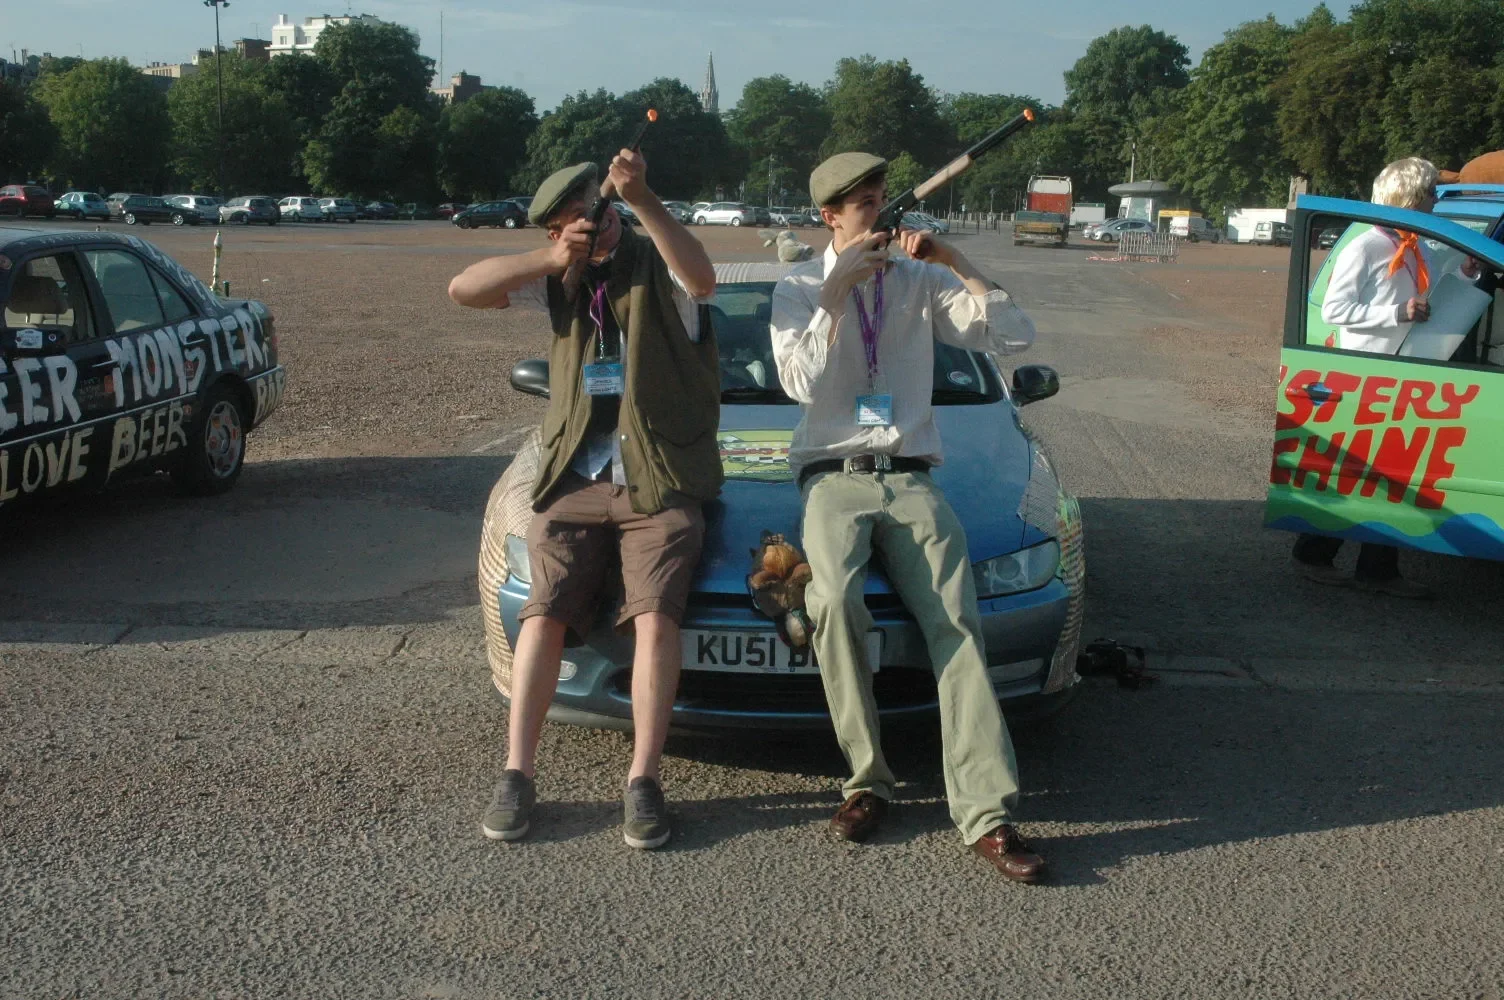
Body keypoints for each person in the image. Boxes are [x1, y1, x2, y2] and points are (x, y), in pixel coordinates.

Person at [769, 152, 1047, 883]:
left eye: (884, 200)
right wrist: (835, 293)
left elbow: (1013, 334)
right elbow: (796, 381)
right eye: (864, 204)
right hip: (833, 476)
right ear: (830, 216)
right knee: (830, 602)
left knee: (956, 620)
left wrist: (953, 258)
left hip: (912, 475)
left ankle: (986, 814)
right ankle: (867, 781)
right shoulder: (799, 285)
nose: (881, 215)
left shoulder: (920, 280)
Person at [448, 152, 720, 849]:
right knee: (543, 611)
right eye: (572, 224)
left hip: (657, 475)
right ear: (556, 231)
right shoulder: (559, 282)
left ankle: (643, 779)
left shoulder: (656, 265)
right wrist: (546, 260)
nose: (590, 232)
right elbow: (464, 289)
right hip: (576, 475)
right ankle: (517, 772)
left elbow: (703, 277)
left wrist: (646, 200)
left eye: (594, 217)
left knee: (655, 617)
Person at [1295, 156, 1458, 599]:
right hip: (1366, 377)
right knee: (1368, 475)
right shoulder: (1366, 245)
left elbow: (1437, 279)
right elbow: (1334, 310)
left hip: (1401, 375)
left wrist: (1467, 273)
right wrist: (1396, 312)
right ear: (1409, 197)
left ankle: (1367, 566)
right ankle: (1322, 555)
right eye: (1430, 193)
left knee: (1385, 477)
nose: (1435, 200)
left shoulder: (1417, 244)